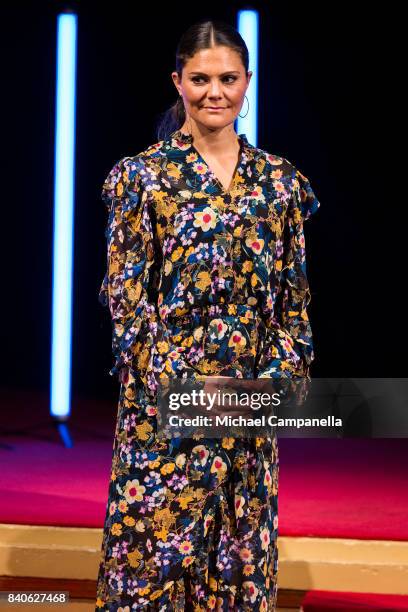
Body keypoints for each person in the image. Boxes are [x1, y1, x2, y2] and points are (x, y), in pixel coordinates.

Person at [95, 19, 320, 612]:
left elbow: (293, 299)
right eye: (200, 79)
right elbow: (125, 296)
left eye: (227, 78)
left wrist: (278, 378)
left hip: (251, 399)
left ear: (248, 83)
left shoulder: (280, 183)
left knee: (238, 560)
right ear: (178, 82)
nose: (214, 92)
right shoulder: (143, 178)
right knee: (153, 568)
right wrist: (177, 388)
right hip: (167, 402)